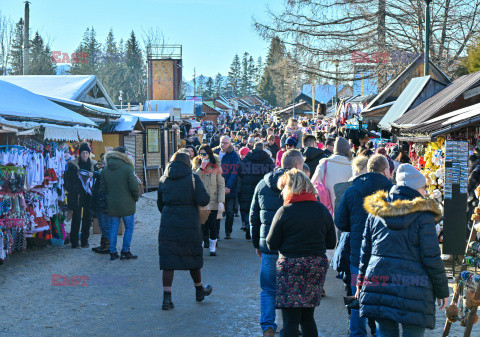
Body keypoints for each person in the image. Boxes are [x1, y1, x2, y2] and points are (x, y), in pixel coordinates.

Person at [357, 164, 449, 337]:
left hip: (379, 283)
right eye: (423, 187)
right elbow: (431, 257)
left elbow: (365, 251)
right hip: (415, 288)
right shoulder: (424, 216)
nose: (425, 192)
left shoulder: (376, 212)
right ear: (415, 189)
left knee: (384, 332)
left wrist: (360, 282)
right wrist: (442, 291)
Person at [267, 169, 336, 337]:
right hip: (315, 266)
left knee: (290, 320)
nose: (281, 192)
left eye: (283, 188)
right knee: (307, 317)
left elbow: (271, 243)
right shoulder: (321, 210)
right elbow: (331, 243)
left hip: (291, 266)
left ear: (289, 188)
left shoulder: (285, 211)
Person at [335, 155, 393, 337]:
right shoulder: (391, 191)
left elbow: (340, 222)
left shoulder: (352, 191)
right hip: (383, 254)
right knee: (381, 299)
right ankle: (378, 333)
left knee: (357, 297)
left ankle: (357, 334)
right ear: (385, 171)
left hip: (357, 254)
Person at [250, 150, 305, 337]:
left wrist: (257, 243)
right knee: (292, 289)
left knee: (268, 289)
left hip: (269, 247)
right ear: (298, 165)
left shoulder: (262, 184)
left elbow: (253, 216)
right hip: (293, 248)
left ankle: (268, 327)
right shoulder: (301, 185)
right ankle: (290, 327)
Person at [157, 151, 213, 310]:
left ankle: (166, 299)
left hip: (168, 222)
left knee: (168, 259)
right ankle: (199, 290)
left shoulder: (163, 179)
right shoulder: (193, 178)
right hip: (189, 222)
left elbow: (160, 204)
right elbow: (204, 200)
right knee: (192, 255)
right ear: (187, 163)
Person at [101, 147, 141, 260]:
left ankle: (112, 252)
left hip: (112, 204)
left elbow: (103, 189)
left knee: (113, 227)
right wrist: (135, 198)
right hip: (127, 204)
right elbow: (134, 187)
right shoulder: (128, 168)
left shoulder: (105, 170)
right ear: (124, 155)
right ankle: (125, 251)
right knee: (129, 227)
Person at [193, 145, 225, 256]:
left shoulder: (216, 167)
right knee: (202, 225)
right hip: (201, 200)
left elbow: (221, 184)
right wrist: (201, 168)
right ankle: (200, 246)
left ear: (209, 154)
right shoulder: (196, 166)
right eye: (200, 154)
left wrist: (221, 201)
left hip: (213, 200)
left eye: (204, 154)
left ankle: (212, 246)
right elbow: (193, 179)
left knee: (213, 224)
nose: (202, 156)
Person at [239, 142, 274, 240]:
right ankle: (256, 231)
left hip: (247, 187)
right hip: (262, 187)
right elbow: (271, 174)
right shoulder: (268, 160)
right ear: (263, 148)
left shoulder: (246, 159)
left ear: (253, 148)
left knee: (247, 208)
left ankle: (247, 226)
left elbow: (240, 172)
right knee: (258, 208)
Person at [65, 142, 98, 248]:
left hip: (89, 195)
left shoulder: (93, 165)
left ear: (89, 154)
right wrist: (73, 189)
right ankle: (74, 241)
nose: (84, 155)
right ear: (79, 154)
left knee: (87, 219)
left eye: (86, 153)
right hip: (77, 196)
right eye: (83, 153)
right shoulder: (73, 165)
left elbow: (98, 179)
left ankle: (84, 240)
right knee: (76, 218)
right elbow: (67, 181)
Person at [312, 137, 353, 213]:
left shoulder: (324, 165)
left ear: (334, 150)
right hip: (347, 214)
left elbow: (312, 187)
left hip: (326, 212)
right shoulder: (353, 168)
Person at [214, 136, 240, 239]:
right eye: (221, 142)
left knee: (229, 211)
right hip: (216, 186)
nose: (223, 145)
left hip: (229, 187)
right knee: (217, 211)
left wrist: (228, 186)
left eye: (225, 143)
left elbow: (234, 172)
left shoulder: (233, 155)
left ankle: (228, 231)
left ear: (230, 144)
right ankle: (216, 233)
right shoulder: (215, 152)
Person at [91, 157, 109, 254]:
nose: (102, 166)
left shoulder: (106, 174)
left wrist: (94, 174)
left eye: (104, 164)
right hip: (99, 203)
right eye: (101, 164)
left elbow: (102, 177)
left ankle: (107, 246)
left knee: (105, 225)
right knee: (102, 226)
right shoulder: (102, 173)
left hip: (104, 204)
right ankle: (103, 245)